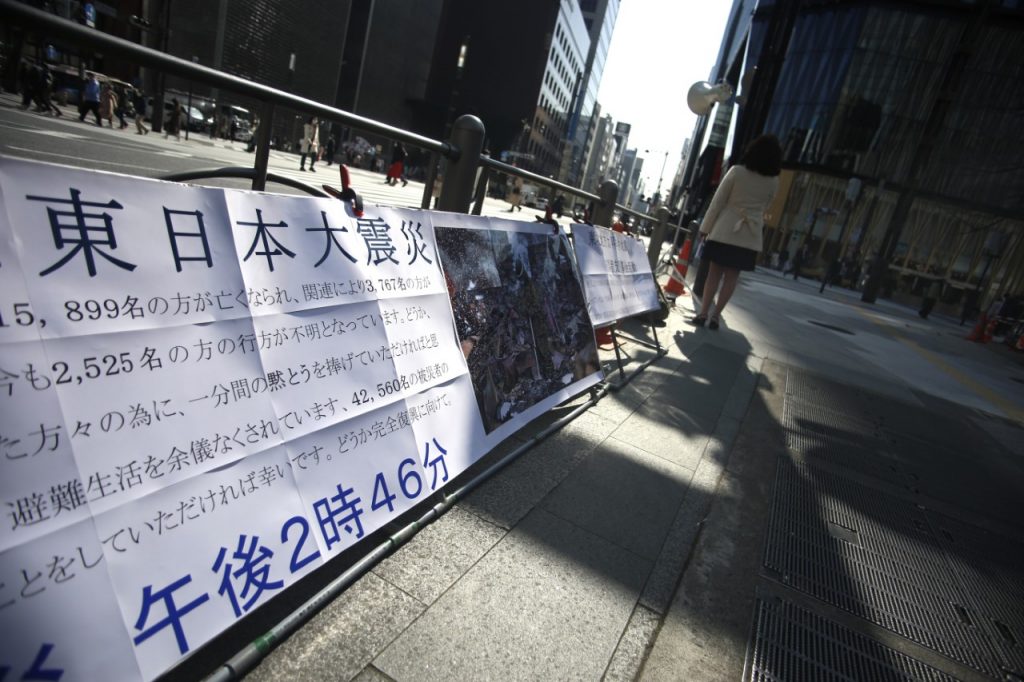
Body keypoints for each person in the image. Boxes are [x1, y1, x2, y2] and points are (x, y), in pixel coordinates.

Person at [691, 134, 782, 330]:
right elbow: (766, 206)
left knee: (713, 273)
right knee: (731, 278)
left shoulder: (736, 172)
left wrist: (705, 227)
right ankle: (716, 317)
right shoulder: (774, 181)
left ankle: (703, 312)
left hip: (725, 227)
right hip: (749, 234)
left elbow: (717, 202)